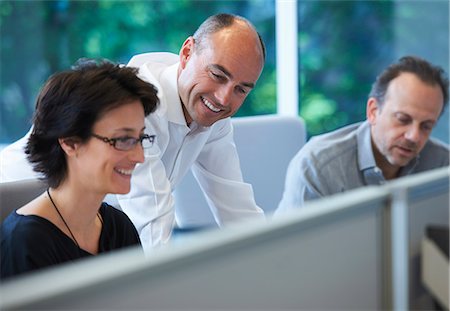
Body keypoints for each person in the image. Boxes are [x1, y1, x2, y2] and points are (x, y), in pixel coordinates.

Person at [0, 13, 266, 252]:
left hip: (90, 227)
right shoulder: (138, 106)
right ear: (186, 53)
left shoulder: (210, 110)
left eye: (241, 89)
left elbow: (236, 208)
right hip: (21, 206)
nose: (224, 98)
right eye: (218, 75)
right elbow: (153, 222)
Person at [1, 59, 159, 279]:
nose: (139, 157)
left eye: (140, 138)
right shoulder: (23, 242)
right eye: (123, 139)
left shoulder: (119, 226)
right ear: (70, 142)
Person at [276, 55, 449, 213]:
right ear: (373, 111)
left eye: (426, 126)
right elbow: (295, 246)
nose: (414, 136)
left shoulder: (443, 165)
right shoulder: (318, 167)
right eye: (403, 119)